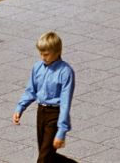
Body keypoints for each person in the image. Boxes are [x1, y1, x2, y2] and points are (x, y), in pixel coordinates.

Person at [13, 31, 76, 163]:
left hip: (55, 114)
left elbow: (65, 103)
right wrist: (20, 107)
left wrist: (62, 131)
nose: (42, 57)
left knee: (43, 159)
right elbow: (31, 91)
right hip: (41, 112)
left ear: (57, 51)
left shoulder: (65, 72)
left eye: (46, 54)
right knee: (47, 154)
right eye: (40, 53)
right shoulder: (37, 67)